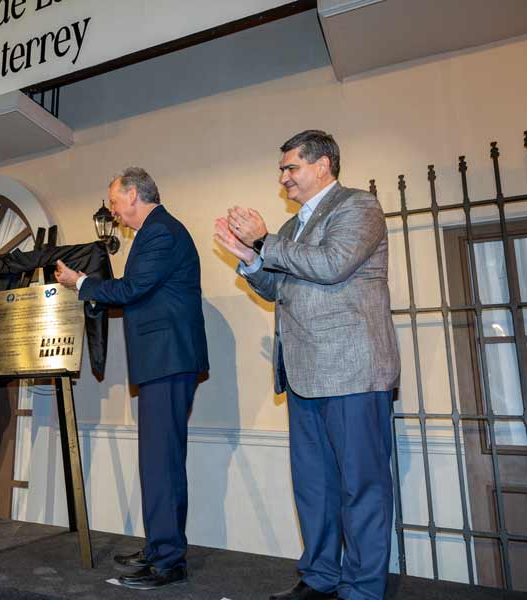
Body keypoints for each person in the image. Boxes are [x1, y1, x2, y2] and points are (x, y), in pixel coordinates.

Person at [215, 130, 400, 600]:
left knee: (362, 487)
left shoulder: (359, 207)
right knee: (315, 488)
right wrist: (251, 261)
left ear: (323, 166)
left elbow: (334, 264)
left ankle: (361, 589)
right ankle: (320, 579)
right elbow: (283, 289)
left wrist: (265, 241)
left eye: (291, 167)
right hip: (303, 374)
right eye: (282, 169)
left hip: (353, 371)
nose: (283, 178)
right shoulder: (294, 228)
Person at [56, 167, 208, 590]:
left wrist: (79, 282)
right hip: (163, 360)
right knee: (157, 460)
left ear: (135, 194)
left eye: (115, 201)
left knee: (161, 461)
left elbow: (132, 289)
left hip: (168, 358)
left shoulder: (160, 232)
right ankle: (160, 546)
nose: (114, 211)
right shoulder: (155, 232)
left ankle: (168, 560)